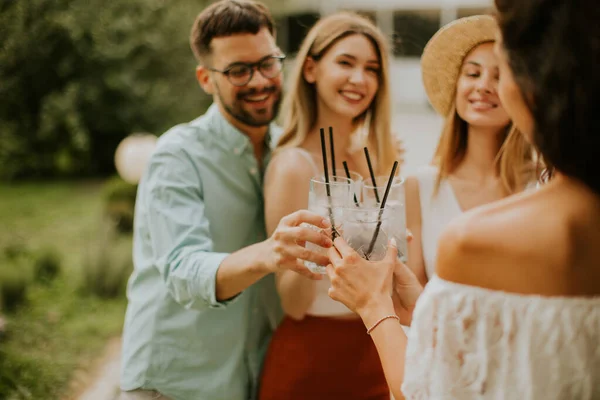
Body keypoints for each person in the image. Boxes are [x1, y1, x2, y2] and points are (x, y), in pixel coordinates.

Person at [327, 3, 600, 399]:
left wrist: (373, 304)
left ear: (530, 86)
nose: (488, 85)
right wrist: (428, 307)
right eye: (472, 72)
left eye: (503, 67)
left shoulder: (472, 240)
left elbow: (427, 391)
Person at [119, 1, 333, 399]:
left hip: (250, 379)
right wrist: (269, 254)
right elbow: (183, 270)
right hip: (174, 383)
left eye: (268, 63)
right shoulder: (176, 155)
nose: (259, 81)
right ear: (205, 78)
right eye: (238, 71)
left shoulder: (287, 151)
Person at [258, 12, 399, 400]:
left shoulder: (370, 163)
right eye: (346, 63)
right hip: (311, 358)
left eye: (371, 69)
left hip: (374, 349)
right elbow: (293, 303)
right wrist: (322, 245)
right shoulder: (293, 166)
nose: (360, 79)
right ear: (310, 69)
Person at [405, 15, 534, 286]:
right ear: (457, 87)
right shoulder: (421, 186)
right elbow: (414, 296)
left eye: (499, 76)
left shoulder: (543, 183)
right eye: (473, 73)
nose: (483, 86)